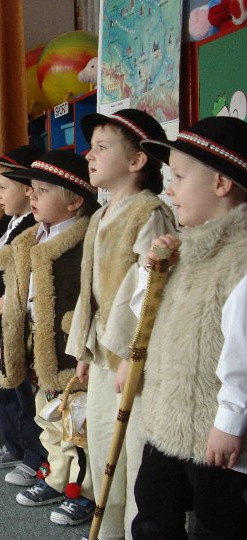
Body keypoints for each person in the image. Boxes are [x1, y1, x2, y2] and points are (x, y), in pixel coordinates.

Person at [130, 116, 247, 539]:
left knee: (217, 522)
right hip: (168, 416)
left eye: (179, 177)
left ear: (221, 184)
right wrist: (154, 271)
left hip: (214, 433)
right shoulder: (186, 248)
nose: (169, 190)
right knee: (153, 508)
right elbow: (148, 316)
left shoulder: (239, 260)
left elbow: (242, 350)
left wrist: (230, 422)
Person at [65, 109, 177, 540]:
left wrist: (133, 354)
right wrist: (84, 348)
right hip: (103, 354)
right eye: (91, 148)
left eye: (101, 147)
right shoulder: (99, 216)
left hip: (134, 360)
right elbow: (89, 290)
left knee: (132, 456)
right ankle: (107, 529)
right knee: (101, 446)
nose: (89, 156)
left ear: (136, 160)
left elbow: (152, 292)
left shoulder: (149, 212)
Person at [0, 150, 99, 526]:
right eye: (31, 189)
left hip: (66, 351)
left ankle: (83, 491)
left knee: (76, 427)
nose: (32, 196)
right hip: (38, 350)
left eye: (42, 190)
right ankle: (57, 478)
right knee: (48, 420)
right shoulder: (32, 238)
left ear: (74, 201)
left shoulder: (84, 241)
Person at [0, 145, 49, 483]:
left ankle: (35, 456)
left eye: (3, 187)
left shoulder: (34, 226)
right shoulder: (8, 222)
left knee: (24, 393)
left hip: (21, 321)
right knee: (3, 388)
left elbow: (31, 276)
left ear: (27, 188)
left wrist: (15, 300)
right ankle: (14, 445)